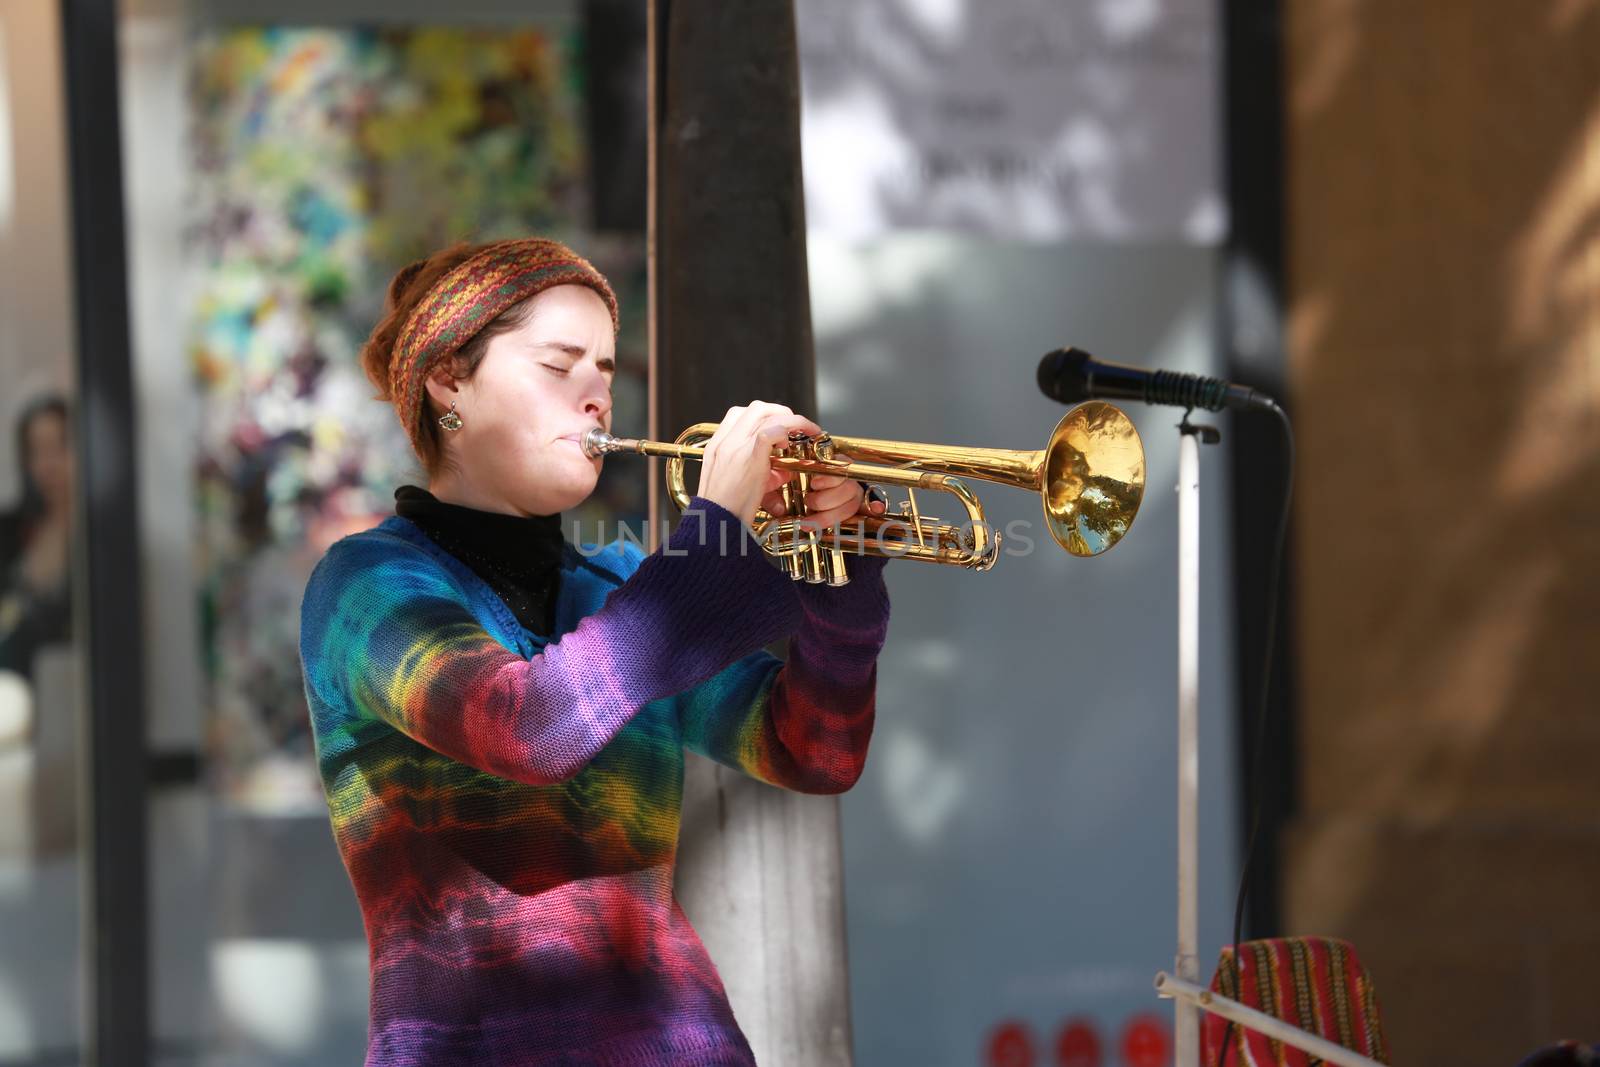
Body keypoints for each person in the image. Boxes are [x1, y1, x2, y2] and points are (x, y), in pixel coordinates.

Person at [298, 237, 892, 1066]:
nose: (597, 397)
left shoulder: (622, 588)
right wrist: (713, 540)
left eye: (606, 371)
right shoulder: (365, 585)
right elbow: (525, 727)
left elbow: (814, 751)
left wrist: (843, 576)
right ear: (449, 382)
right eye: (558, 365)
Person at [0, 395, 73, 686]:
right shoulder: (11, 528)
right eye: (36, 451)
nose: (48, 465)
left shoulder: (97, 539)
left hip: (70, 691)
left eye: (58, 448)